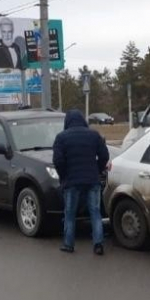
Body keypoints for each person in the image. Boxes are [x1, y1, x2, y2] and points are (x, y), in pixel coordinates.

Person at [52, 109, 110, 255]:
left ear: (67, 122)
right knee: (95, 213)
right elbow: (104, 155)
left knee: (70, 214)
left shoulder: (61, 137)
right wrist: (97, 170)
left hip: (72, 181)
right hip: (92, 180)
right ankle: (98, 244)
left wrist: (64, 176)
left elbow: (58, 161)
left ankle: (69, 244)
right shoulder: (94, 135)